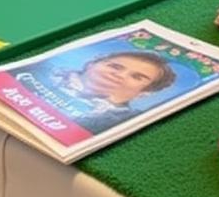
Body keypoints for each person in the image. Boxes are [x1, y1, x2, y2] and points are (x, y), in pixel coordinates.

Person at [24, 50, 177, 135]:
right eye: (115, 67)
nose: (120, 75)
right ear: (91, 65)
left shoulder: (119, 121)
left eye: (137, 77)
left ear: (146, 93)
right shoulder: (38, 71)